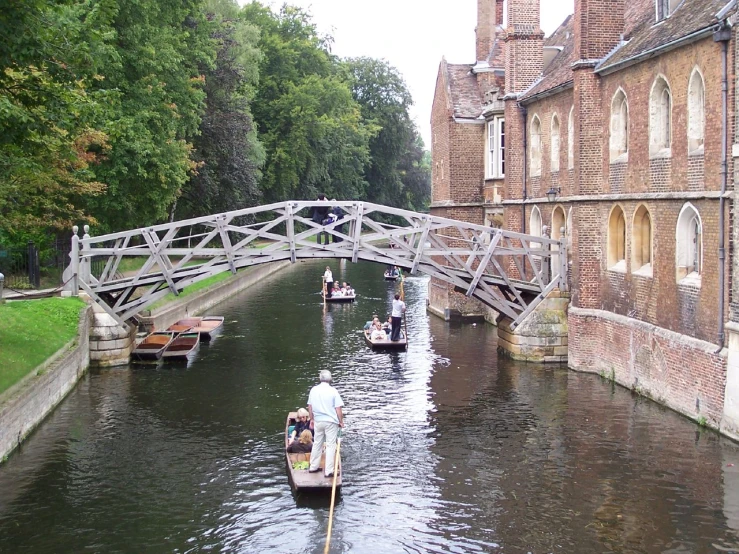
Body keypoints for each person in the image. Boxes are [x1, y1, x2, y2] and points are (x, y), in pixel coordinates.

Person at [308, 370, 344, 478]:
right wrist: (341, 421)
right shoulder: (333, 391)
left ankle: (313, 467)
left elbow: (310, 406)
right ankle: (329, 471)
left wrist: (312, 419)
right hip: (331, 421)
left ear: (320, 378)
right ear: (330, 379)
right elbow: (338, 408)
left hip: (318, 420)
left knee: (317, 443)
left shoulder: (313, 390)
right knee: (330, 445)